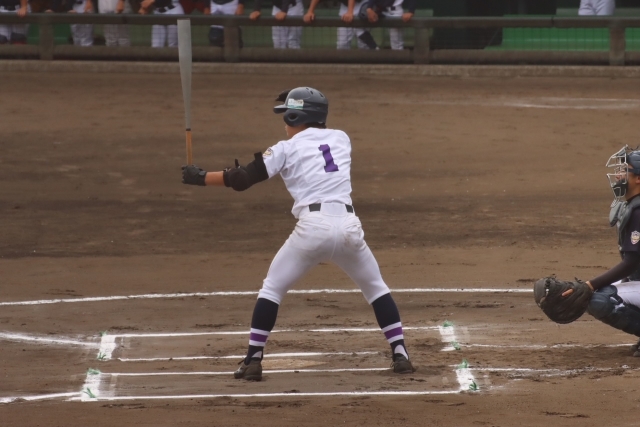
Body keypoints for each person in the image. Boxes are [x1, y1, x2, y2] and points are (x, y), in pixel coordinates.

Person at [181, 87, 416, 381]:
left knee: (272, 289)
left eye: (286, 115)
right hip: (349, 227)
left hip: (313, 229)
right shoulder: (341, 138)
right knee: (376, 288)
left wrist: (200, 177)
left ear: (295, 117)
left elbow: (241, 179)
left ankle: (253, 360)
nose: (284, 123)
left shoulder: (285, 148)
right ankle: (400, 353)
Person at [583, 146, 640, 356]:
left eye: (624, 170)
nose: (618, 175)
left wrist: (590, 285)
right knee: (595, 295)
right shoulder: (632, 206)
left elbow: (632, 262)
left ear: (638, 179)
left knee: (600, 298)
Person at [303, 0, 378, 50]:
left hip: (362, 4)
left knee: (363, 44)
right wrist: (310, 11)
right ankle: (344, 68)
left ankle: (372, 60)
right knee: (342, 44)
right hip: (345, 5)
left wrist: (350, 11)